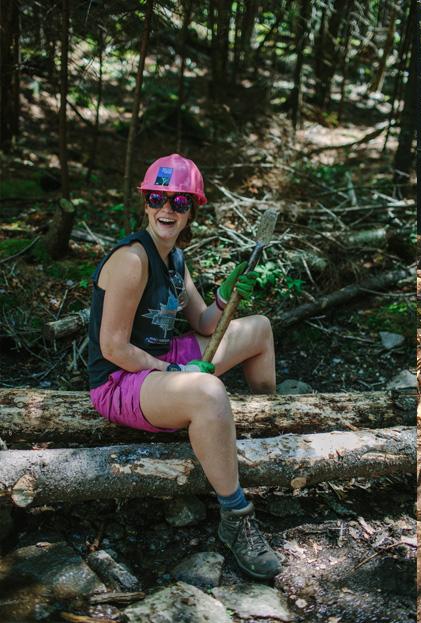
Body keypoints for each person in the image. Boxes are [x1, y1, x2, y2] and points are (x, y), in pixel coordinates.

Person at [87, 154, 281, 580]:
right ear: (145, 202)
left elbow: (204, 325)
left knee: (260, 329)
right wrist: (176, 373)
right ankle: (236, 516)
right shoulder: (132, 260)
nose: (166, 209)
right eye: (157, 197)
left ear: (192, 209)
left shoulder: (175, 259)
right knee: (209, 392)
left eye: (178, 201)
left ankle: (269, 424)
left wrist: (224, 293)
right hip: (121, 380)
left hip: (159, 362)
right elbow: (113, 346)